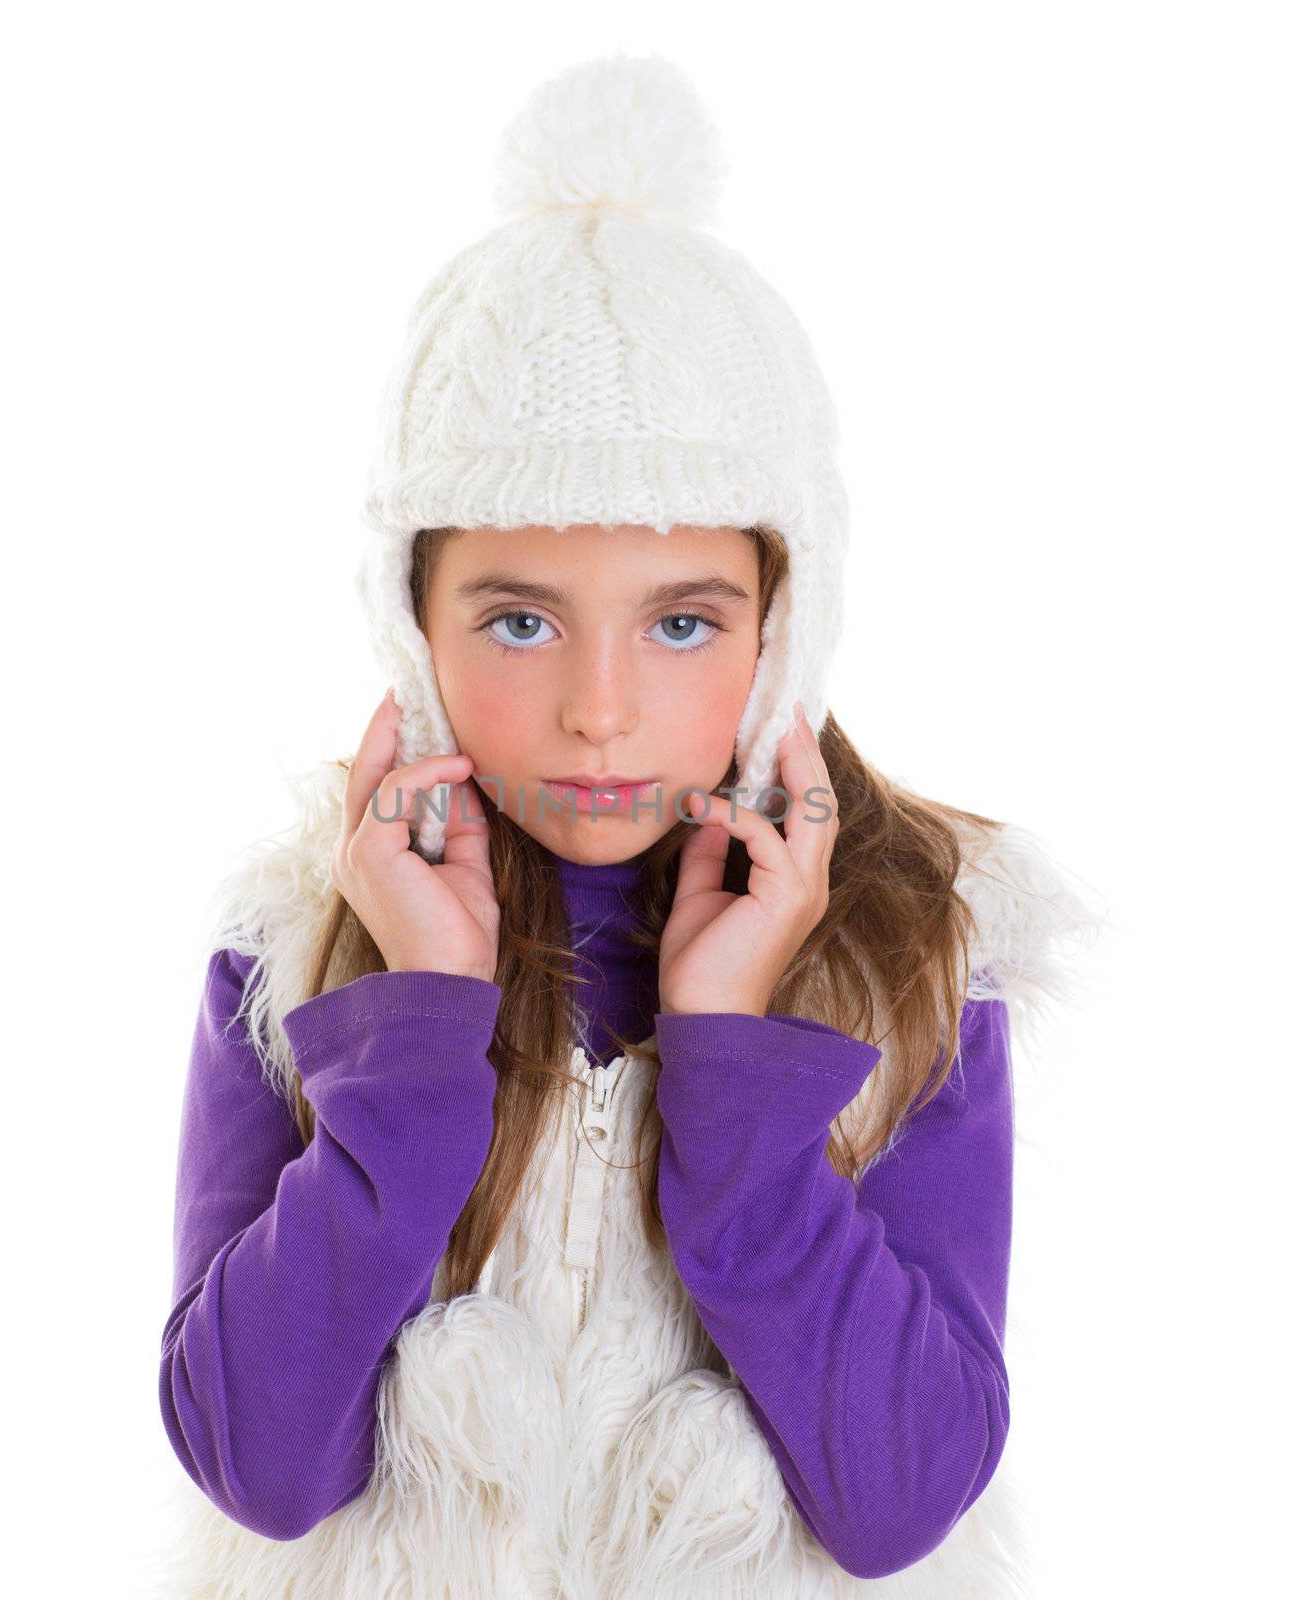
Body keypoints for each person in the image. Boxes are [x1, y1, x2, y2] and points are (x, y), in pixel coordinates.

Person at [154, 52, 1102, 1600]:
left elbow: (900, 1502)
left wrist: (734, 1059)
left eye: (681, 625)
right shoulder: (306, 954)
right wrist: (416, 1023)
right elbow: (261, 1467)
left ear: (783, 630)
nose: (601, 709)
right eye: (521, 622)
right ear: (412, 627)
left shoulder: (913, 962)